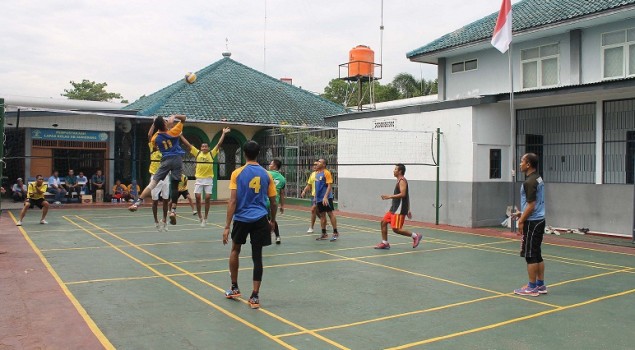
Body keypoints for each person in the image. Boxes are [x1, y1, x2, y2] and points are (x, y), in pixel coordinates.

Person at [223, 141, 277, 310]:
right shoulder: (266, 174)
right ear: (258, 153)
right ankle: (254, 296)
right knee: (257, 256)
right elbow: (273, 201)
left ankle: (234, 288)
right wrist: (272, 220)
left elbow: (233, 200)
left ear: (244, 153)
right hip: (260, 218)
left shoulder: (237, 173)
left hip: (241, 218)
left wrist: (226, 226)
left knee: (235, 250)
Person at [129, 114, 187, 226]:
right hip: (176, 160)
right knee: (175, 185)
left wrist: (161, 124)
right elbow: (184, 118)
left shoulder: (156, 138)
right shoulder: (174, 131)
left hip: (165, 160)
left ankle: (137, 203)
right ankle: (173, 211)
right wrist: (174, 117)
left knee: (152, 183)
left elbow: (153, 138)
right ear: (165, 124)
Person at [180, 127, 230, 227]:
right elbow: (188, 145)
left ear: (208, 148)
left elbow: (219, 144)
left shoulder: (211, 154)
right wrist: (180, 135)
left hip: (208, 179)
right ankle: (200, 216)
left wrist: (223, 133)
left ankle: (206, 217)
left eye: (205, 147)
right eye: (202, 147)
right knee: (198, 197)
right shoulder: (197, 153)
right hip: (199, 179)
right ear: (200, 148)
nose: (204, 148)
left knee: (207, 197)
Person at [512, 153, 547, 297]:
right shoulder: (538, 178)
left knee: (530, 255)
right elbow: (535, 203)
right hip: (539, 219)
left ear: (528, 165)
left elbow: (531, 205)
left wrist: (521, 221)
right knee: (537, 254)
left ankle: (532, 288)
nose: (520, 164)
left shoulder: (529, 182)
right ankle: (540, 285)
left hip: (533, 222)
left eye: (522, 161)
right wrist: (522, 213)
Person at [374, 164, 423, 250]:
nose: (394, 171)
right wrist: (409, 209)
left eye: (395, 169)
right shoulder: (399, 181)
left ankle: (415, 236)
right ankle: (385, 243)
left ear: (400, 171)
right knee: (383, 222)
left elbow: (403, 194)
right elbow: (407, 196)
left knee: (396, 229)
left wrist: (389, 196)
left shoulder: (402, 181)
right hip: (394, 208)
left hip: (399, 210)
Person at [314, 158, 339, 241]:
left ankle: (335, 232)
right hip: (319, 198)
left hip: (326, 198)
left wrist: (325, 197)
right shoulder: (317, 173)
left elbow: (329, 186)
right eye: (318, 161)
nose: (317, 163)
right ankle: (324, 233)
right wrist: (315, 197)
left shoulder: (326, 172)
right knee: (322, 215)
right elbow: (316, 187)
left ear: (324, 165)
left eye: (319, 162)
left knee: (330, 214)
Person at [148, 141, 169, 232]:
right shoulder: (153, 152)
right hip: (155, 177)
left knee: (165, 200)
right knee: (155, 201)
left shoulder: (167, 152)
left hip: (165, 177)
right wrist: (154, 125)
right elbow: (149, 135)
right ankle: (156, 221)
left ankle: (164, 220)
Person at [267, 159, 287, 244]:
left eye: (271, 164)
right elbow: (282, 194)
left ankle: (266, 236)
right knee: (272, 219)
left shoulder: (267, 174)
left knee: (262, 220)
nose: (269, 165)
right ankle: (277, 236)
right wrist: (282, 206)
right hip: (275, 201)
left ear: (275, 166)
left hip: (265, 200)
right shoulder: (282, 179)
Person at [300, 161, 320, 233]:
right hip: (313, 195)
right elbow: (309, 185)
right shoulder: (312, 174)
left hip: (321, 196)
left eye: (316, 165)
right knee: (316, 211)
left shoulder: (323, 174)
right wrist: (304, 191)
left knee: (313, 210)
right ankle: (324, 221)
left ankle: (311, 227)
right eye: (313, 165)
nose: (314, 166)